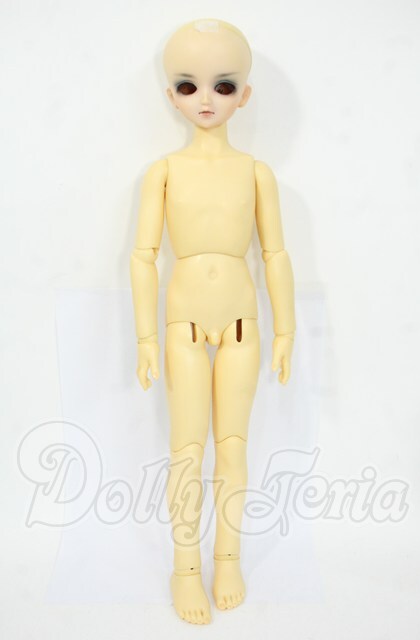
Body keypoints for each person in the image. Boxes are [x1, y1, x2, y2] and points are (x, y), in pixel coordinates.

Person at [129, 18, 296, 625]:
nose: (206, 99)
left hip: (242, 326)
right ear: (170, 94)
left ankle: (227, 559)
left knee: (232, 447)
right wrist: (146, 338)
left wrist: (286, 331)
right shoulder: (163, 172)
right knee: (187, 450)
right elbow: (143, 256)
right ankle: (185, 569)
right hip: (182, 327)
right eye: (188, 85)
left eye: (223, 86)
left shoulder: (255, 172)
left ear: (244, 95)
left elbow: (275, 254)